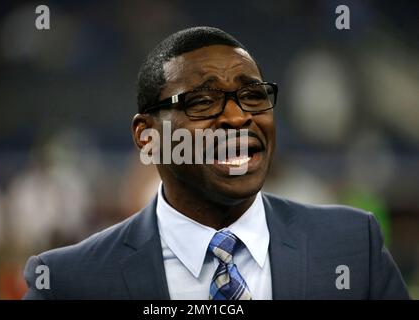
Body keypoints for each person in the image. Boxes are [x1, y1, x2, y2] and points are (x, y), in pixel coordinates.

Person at [23, 26, 410, 300]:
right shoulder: (71, 282)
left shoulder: (353, 248)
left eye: (253, 95)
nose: (239, 117)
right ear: (148, 136)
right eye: (203, 102)